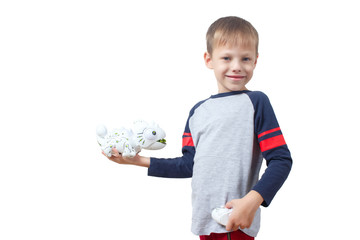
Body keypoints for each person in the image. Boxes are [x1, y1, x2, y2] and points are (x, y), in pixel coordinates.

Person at [103, 16, 292, 240]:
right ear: (209, 59)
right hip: (204, 223)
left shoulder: (257, 102)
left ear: (256, 61)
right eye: (227, 58)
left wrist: (251, 201)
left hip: (234, 221)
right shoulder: (197, 112)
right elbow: (188, 165)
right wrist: (136, 161)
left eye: (246, 58)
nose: (237, 66)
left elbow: (281, 160)